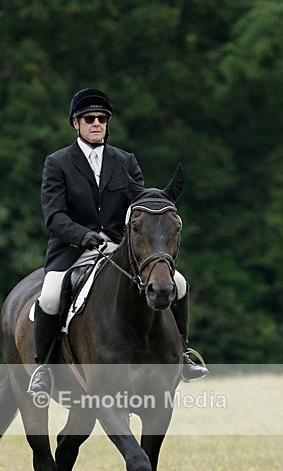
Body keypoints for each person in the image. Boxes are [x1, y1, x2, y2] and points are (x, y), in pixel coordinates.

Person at [28, 87, 208, 396]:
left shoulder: (125, 161)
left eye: (102, 118)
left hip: (120, 248)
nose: (96, 123)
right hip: (73, 250)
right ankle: (43, 367)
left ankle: (183, 355)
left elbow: (138, 205)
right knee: (50, 293)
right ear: (76, 123)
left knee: (179, 284)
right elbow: (54, 216)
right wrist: (83, 235)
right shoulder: (57, 163)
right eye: (89, 118)